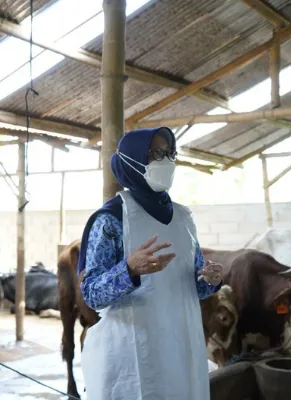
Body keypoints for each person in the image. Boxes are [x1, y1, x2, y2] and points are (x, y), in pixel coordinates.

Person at [77, 127, 224, 400]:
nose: (165, 162)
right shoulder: (111, 219)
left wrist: (209, 280)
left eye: (169, 154)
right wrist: (128, 269)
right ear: (132, 159)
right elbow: (92, 294)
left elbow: (192, 283)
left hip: (181, 344)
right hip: (133, 352)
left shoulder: (183, 217)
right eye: (155, 153)